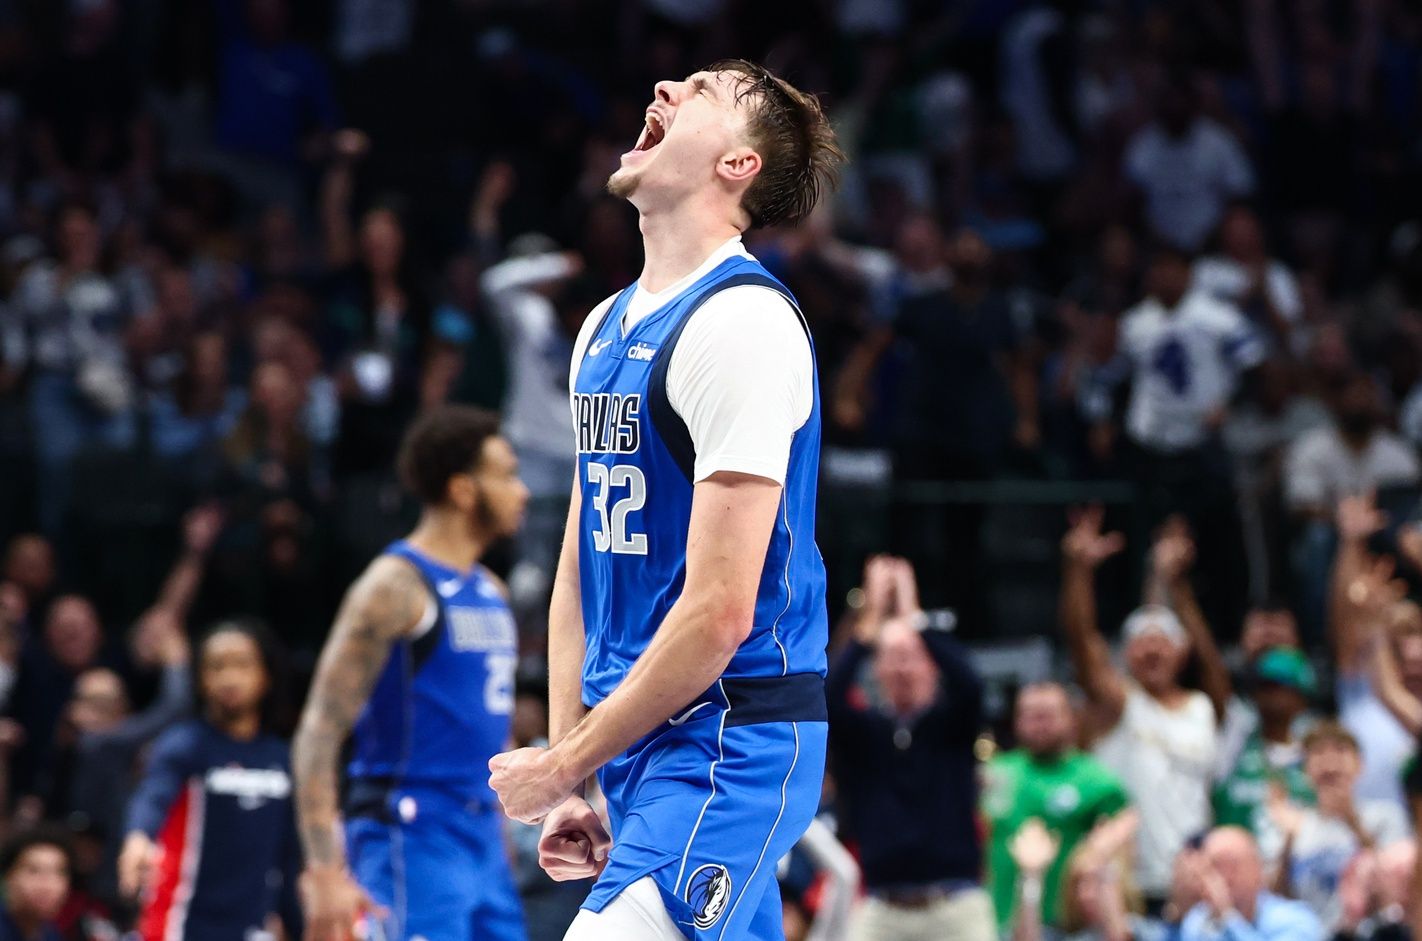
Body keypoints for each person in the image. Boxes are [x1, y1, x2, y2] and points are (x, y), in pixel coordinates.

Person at [485, 59, 844, 941]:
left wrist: (566, 755)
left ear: (738, 166)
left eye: (699, 93)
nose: (662, 93)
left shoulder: (742, 324)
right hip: (636, 743)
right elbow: (580, 568)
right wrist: (578, 772)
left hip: (730, 741)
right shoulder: (603, 327)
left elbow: (719, 611)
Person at [292, 405, 530, 941]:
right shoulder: (394, 586)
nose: (523, 491)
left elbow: (484, 715)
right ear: (464, 490)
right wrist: (325, 869)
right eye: (507, 475)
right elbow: (319, 731)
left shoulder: (493, 591)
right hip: (408, 832)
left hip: (482, 838)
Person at [1060, 507, 1221, 913]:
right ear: (1126, 656)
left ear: (1181, 651)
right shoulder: (1119, 705)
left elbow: (1212, 663)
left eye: (1162, 640)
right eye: (1140, 641)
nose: (1152, 648)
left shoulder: (1202, 707)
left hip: (1193, 881)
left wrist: (1175, 583)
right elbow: (1082, 643)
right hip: (1127, 884)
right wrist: (1079, 572)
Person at [830, 556, 991, 941]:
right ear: (878, 669)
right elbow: (829, 697)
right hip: (885, 906)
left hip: (956, 902)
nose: (903, 668)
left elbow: (971, 683)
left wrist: (915, 617)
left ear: (932, 666)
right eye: (893, 657)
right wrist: (868, 624)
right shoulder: (867, 733)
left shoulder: (950, 726)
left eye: (913, 656)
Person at [117, 620, 301, 941]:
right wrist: (138, 837)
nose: (229, 678)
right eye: (216, 667)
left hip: (253, 926)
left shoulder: (282, 758)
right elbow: (153, 794)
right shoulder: (185, 744)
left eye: (242, 664)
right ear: (200, 679)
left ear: (266, 675)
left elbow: (289, 856)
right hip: (181, 923)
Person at [984, 681, 1131, 934]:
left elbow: (1122, 848)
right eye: (1029, 716)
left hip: (1068, 924)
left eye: (1048, 715)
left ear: (1072, 719)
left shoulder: (1097, 780)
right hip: (1001, 916)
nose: (1039, 724)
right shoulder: (996, 774)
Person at [1271, 722, 1410, 929]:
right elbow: (1276, 902)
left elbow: (1400, 889)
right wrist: (1288, 844)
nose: (1329, 762)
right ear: (1305, 770)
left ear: (1360, 764)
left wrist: (1354, 823)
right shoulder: (1295, 824)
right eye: (1318, 752)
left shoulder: (1385, 816)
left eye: (1340, 750)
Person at [1178, 827, 1323, 940]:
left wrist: (1228, 918)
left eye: (1232, 865)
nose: (1225, 877)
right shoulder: (1198, 920)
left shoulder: (1296, 919)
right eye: (1215, 866)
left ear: (1258, 870)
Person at [0, 827, 72, 941]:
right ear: (8, 877)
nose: (48, 886)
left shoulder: (51, 934)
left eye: (59, 872)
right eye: (34, 871)